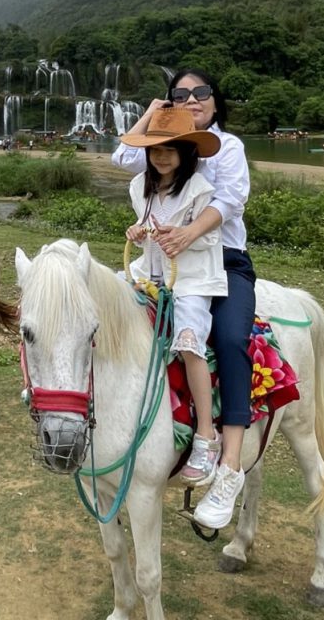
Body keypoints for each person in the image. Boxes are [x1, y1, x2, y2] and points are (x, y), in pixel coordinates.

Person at [112, 68, 255, 529]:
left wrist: (189, 233)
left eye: (201, 92)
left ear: (216, 100)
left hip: (221, 261)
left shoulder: (226, 147)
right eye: (180, 94)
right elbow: (121, 156)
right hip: (161, 265)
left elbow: (230, 199)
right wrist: (156, 111)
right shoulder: (161, 148)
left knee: (231, 341)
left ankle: (227, 462)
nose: (192, 99)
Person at [120, 109, 226, 488]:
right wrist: (139, 231)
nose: (161, 156)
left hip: (192, 281)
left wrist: (183, 234)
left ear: (186, 152)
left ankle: (205, 436)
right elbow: (147, 230)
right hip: (150, 276)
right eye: (154, 149)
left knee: (189, 341)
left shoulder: (199, 190)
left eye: (170, 149)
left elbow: (211, 238)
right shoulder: (140, 188)